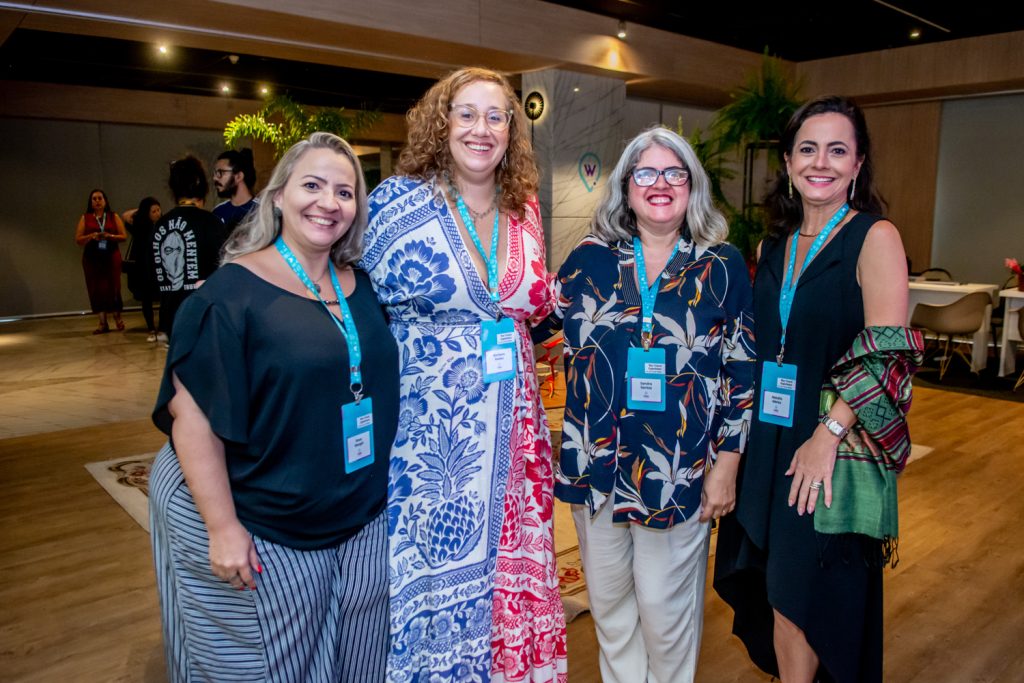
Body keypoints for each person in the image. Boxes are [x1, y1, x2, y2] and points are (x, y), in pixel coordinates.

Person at [149, 132, 398, 681]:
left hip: (359, 513)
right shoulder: (231, 294)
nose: (328, 203)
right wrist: (221, 528)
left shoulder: (362, 286)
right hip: (272, 519)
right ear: (279, 196)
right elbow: (191, 419)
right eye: (312, 185)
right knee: (279, 662)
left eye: (345, 191)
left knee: (359, 655)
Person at [361, 66, 567, 682]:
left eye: (497, 115)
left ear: (511, 130)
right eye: (467, 113)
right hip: (432, 438)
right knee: (428, 569)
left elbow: (537, 304)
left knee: (514, 578)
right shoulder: (397, 202)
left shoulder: (524, 208)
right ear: (441, 122)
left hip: (518, 437)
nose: (482, 129)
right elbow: (340, 282)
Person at [532, 126, 755, 683]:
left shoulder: (720, 265)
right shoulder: (588, 259)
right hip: (595, 465)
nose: (660, 184)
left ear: (692, 186)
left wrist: (726, 466)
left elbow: (742, 369)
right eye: (646, 173)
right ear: (626, 186)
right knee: (610, 614)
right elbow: (532, 321)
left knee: (665, 614)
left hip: (676, 469)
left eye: (674, 173)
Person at [713, 95, 924, 683]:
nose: (821, 162)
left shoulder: (874, 237)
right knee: (774, 588)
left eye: (838, 150)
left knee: (801, 596)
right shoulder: (771, 247)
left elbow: (888, 354)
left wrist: (827, 434)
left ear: (858, 165)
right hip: (770, 445)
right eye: (808, 148)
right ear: (786, 161)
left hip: (824, 449)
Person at [151, 155, 229, 342]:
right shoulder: (210, 222)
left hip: (171, 317)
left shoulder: (160, 224)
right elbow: (225, 270)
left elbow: (152, 273)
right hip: (204, 317)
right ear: (200, 185)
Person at [74, 189, 127, 334]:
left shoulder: (112, 216)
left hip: (111, 256)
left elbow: (123, 236)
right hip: (92, 259)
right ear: (90, 202)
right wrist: (91, 236)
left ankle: (118, 318)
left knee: (114, 287)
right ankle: (103, 323)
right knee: (96, 288)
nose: (97, 201)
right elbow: (78, 239)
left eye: (100, 198)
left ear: (105, 201)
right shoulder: (85, 218)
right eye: (94, 199)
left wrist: (109, 236)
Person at [123, 197, 162, 341]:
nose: (157, 213)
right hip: (143, 267)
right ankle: (151, 327)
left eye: (158, 210)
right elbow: (126, 215)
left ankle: (162, 326)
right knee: (147, 299)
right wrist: (140, 210)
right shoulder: (139, 227)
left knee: (161, 296)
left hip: (158, 265)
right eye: (153, 211)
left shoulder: (162, 226)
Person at [212, 148, 259, 232]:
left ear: (239, 176)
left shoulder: (262, 210)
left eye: (220, 173)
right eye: (215, 173)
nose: (215, 178)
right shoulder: (218, 212)